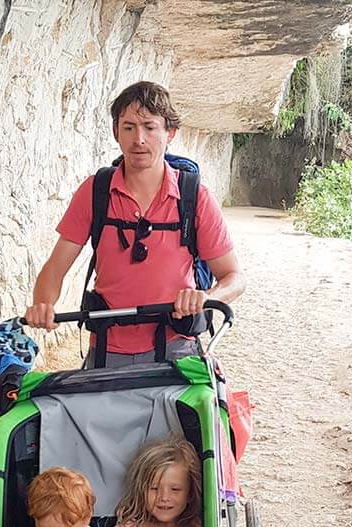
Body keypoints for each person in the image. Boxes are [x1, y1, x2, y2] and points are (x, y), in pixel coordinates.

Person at [25, 81, 245, 366]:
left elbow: (234, 278)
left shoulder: (195, 198)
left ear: (170, 133)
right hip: (107, 349)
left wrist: (205, 297)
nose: (138, 139)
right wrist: (44, 304)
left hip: (176, 350)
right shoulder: (95, 192)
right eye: (128, 127)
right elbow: (55, 268)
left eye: (150, 127)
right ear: (116, 132)